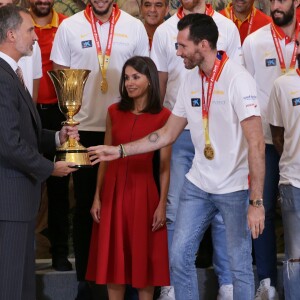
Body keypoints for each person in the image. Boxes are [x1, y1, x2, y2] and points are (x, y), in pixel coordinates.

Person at [88, 13, 266, 300]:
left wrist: (256, 202)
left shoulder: (238, 79)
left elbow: (257, 143)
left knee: (240, 266)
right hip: (197, 185)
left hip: (233, 188)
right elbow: (167, 134)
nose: (178, 52)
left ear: (203, 45)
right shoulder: (190, 80)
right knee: (178, 259)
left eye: (183, 46)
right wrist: (119, 150)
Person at [50, 1, 149, 298]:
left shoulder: (134, 27)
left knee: (124, 206)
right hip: (82, 130)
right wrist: (68, 123)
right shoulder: (70, 26)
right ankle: (86, 280)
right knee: (84, 207)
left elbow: (145, 74)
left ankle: (128, 279)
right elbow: (60, 75)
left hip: (123, 126)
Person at [150, 0, 242, 299]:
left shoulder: (226, 27)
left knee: (221, 213)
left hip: (219, 132)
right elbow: (160, 82)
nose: (180, 52)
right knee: (175, 208)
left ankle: (227, 284)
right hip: (180, 129)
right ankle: (172, 284)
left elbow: (235, 80)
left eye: (183, 47)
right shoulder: (166, 31)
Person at [0, 5, 79, 300]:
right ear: (10, 34)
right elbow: (8, 143)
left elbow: (23, 132)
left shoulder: (13, 72)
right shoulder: (2, 76)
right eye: (30, 30)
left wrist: (58, 137)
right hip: (8, 201)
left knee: (21, 285)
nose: (35, 37)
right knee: (9, 285)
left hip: (17, 201)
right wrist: (50, 168)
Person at [86, 56, 171, 300]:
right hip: (112, 193)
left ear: (151, 80)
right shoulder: (113, 111)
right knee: (114, 261)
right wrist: (97, 197)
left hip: (144, 193)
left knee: (144, 261)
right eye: (126, 78)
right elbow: (104, 155)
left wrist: (162, 204)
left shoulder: (164, 117)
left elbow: (165, 166)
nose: (129, 83)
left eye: (136, 77)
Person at [243, 0, 299, 298]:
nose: (276, 5)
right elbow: (244, 87)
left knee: (296, 216)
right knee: (259, 207)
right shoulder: (254, 42)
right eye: (272, 0)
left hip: (298, 147)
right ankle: (266, 281)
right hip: (264, 141)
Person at [27, 0, 71, 272]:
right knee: (27, 182)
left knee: (59, 186)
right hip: (26, 110)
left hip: (59, 112)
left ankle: (60, 253)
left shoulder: (66, 24)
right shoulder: (17, 24)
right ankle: (24, 251)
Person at [267, 34, 300, 300]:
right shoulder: (282, 84)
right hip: (294, 182)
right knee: (295, 258)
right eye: (298, 43)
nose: (298, 48)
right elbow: (277, 136)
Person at [0, 0, 42, 101]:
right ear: (11, 35)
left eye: (9, 6)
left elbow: (35, 80)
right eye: (0, 4)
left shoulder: (32, 45)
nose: (5, 10)